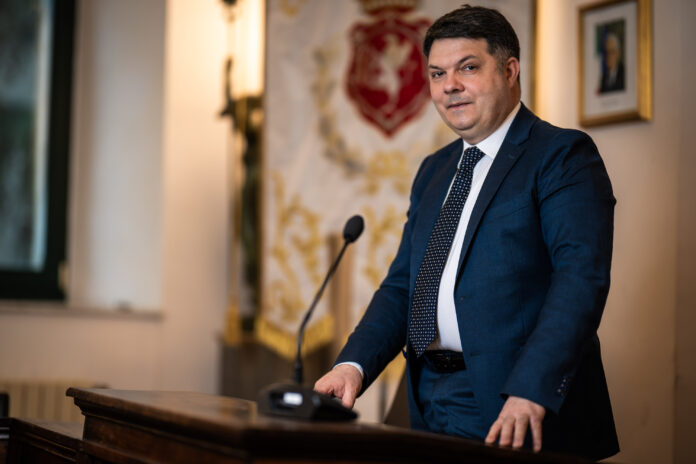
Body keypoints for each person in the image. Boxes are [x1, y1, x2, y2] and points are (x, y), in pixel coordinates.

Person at [315, 5, 619, 460]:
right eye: (437, 74)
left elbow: (579, 281)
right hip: (427, 396)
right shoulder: (434, 171)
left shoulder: (561, 155)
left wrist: (531, 389)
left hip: (513, 400)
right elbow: (404, 287)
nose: (450, 86)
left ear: (510, 70)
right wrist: (351, 365)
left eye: (468, 68)